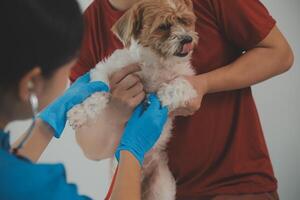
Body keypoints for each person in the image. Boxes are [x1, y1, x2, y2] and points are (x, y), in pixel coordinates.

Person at [70, 0, 294, 199]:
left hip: (233, 184)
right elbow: (92, 149)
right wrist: (114, 114)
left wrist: (204, 84)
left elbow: (280, 53)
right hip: (140, 185)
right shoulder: (89, 24)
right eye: (164, 27)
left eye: (186, 22)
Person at [0, 0, 168, 199]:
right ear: (31, 84)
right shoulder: (43, 191)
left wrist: (45, 125)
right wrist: (132, 152)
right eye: (68, 69)